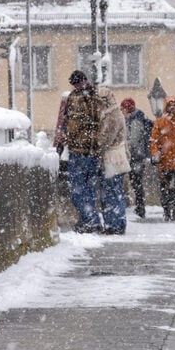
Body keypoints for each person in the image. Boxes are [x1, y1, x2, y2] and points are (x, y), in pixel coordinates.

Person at [55, 70, 104, 233]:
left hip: (80, 150)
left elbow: (72, 125)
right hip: (94, 150)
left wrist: (62, 141)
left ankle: (89, 221)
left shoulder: (75, 97)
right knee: (89, 189)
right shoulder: (96, 97)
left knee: (76, 189)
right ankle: (92, 220)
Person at [98, 85, 129, 234]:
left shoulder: (111, 115)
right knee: (114, 191)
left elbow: (106, 139)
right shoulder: (115, 113)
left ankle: (115, 224)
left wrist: (97, 148)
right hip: (115, 156)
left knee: (111, 192)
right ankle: (115, 223)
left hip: (112, 157)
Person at [120, 98, 153, 218]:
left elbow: (133, 139)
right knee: (136, 182)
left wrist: (122, 144)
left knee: (136, 182)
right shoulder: (133, 119)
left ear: (127, 109)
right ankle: (139, 207)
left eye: (122, 109)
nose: (121, 111)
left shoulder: (135, 121)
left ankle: (140, 208)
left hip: (136, 156)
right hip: (136, 156)